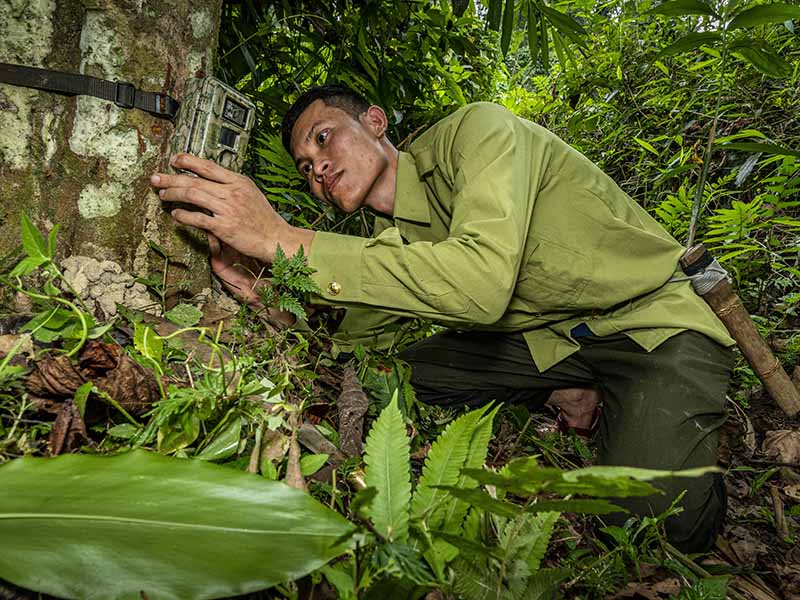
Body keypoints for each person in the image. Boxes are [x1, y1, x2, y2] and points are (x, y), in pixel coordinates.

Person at [150, 84, 735, 553]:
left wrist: (284, 239)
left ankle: (657, 421)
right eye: (305, 167)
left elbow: (481, 284)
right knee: (398, 376)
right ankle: (568, 385)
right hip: (550, 343)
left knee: (659, 524)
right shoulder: (386, 237)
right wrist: (260, 295)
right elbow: (355, 350)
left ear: (375, 123)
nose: (318, 168)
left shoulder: (480, 133)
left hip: (651, 321)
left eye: (324, 139)